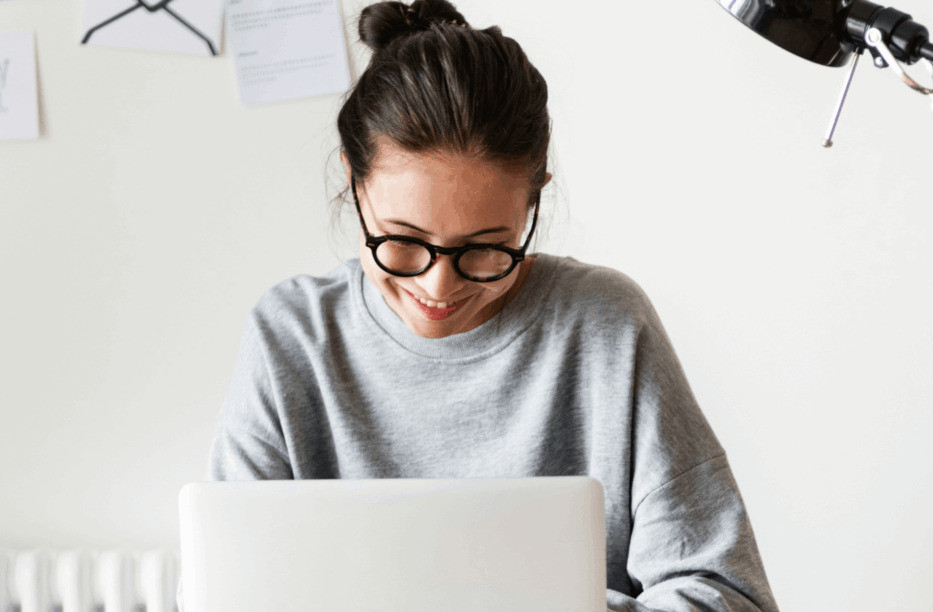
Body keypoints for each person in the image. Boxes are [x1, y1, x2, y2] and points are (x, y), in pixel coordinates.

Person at [206, 1, 780, 611]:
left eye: (485, 249)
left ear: (532, 202)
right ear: (353, 179)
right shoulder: (291, 336)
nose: (439, 288)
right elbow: (226, 590)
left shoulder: (606, 327)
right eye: (402, 242)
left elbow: (730, 595)